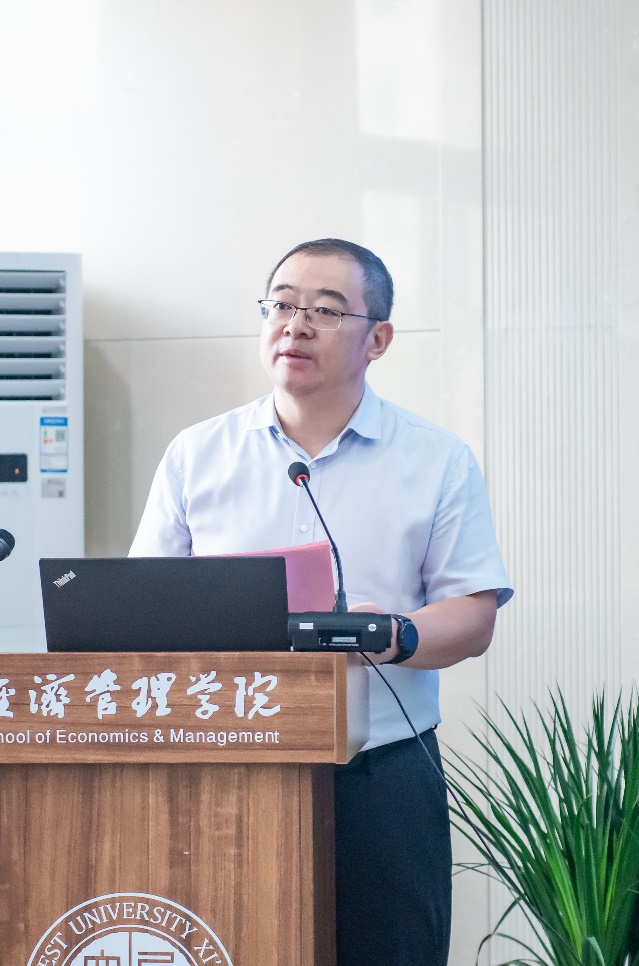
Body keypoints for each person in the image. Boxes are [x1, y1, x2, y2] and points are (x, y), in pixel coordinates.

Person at [129, 237, 512, 965]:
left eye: (326, 310)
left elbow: (472, 615)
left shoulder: (434, 460)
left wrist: (389, 634)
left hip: (381, 776)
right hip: (224, 767)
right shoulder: (197, 455)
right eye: (281, 304)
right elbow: (140, 609)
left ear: (379, 339)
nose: (295, 324)